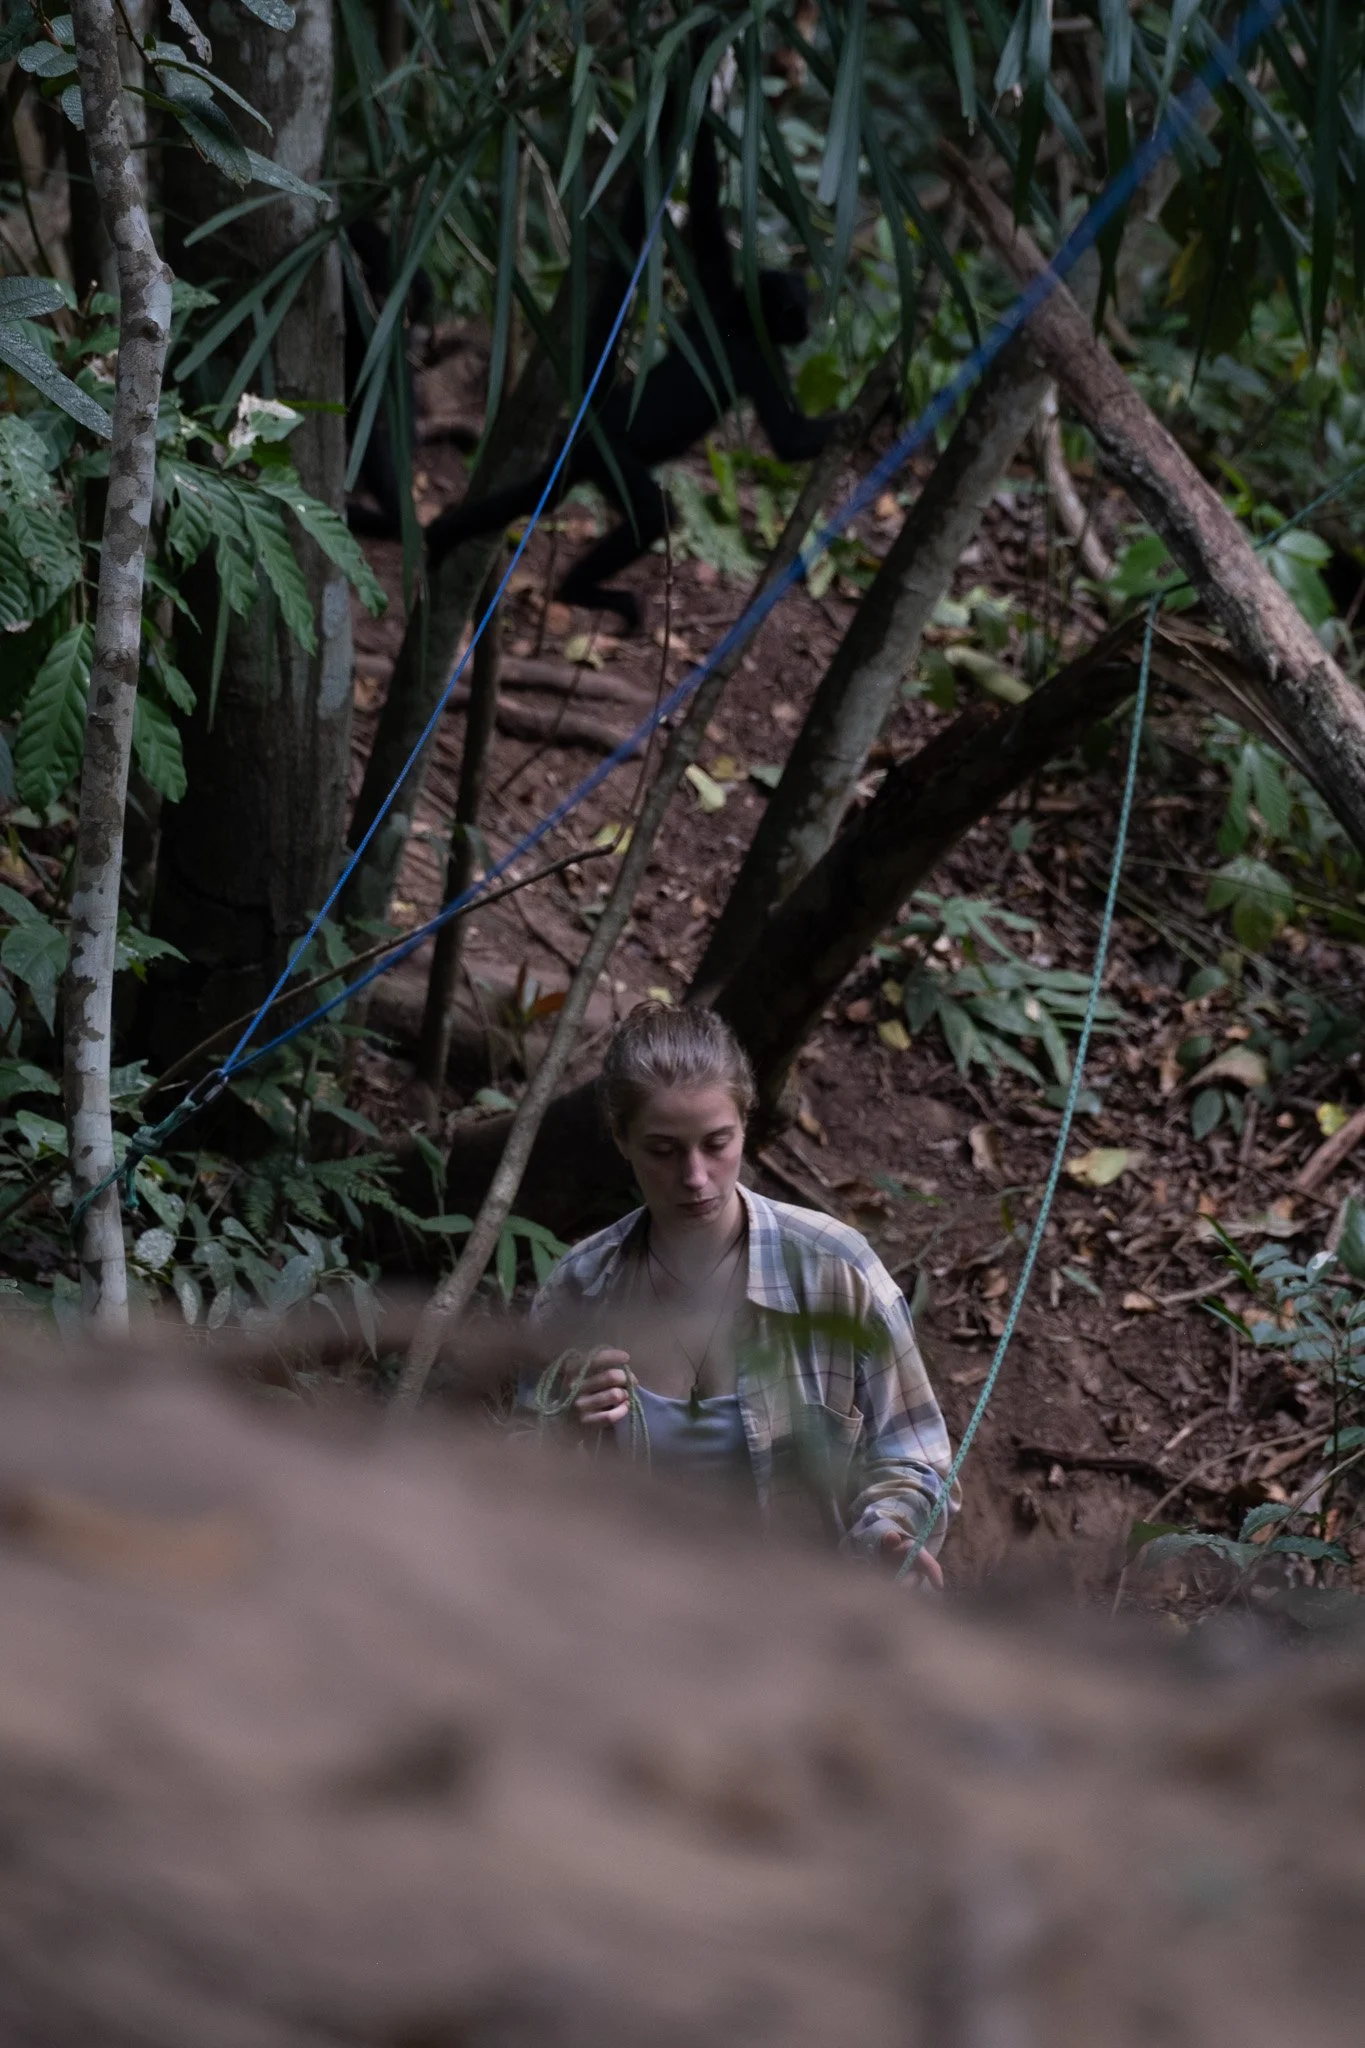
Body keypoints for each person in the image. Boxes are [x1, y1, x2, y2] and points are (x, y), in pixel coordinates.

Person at [530, 1002, 955, 1586]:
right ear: (621, 1139)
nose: (695, 1175)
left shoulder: (835, 1270)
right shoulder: (580, 1289)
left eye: (716, 1142)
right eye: (663, 1149)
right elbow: (515, 1488)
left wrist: (887, 1532)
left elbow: (916, 1454)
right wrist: (564, 1434)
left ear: (746, 1123)